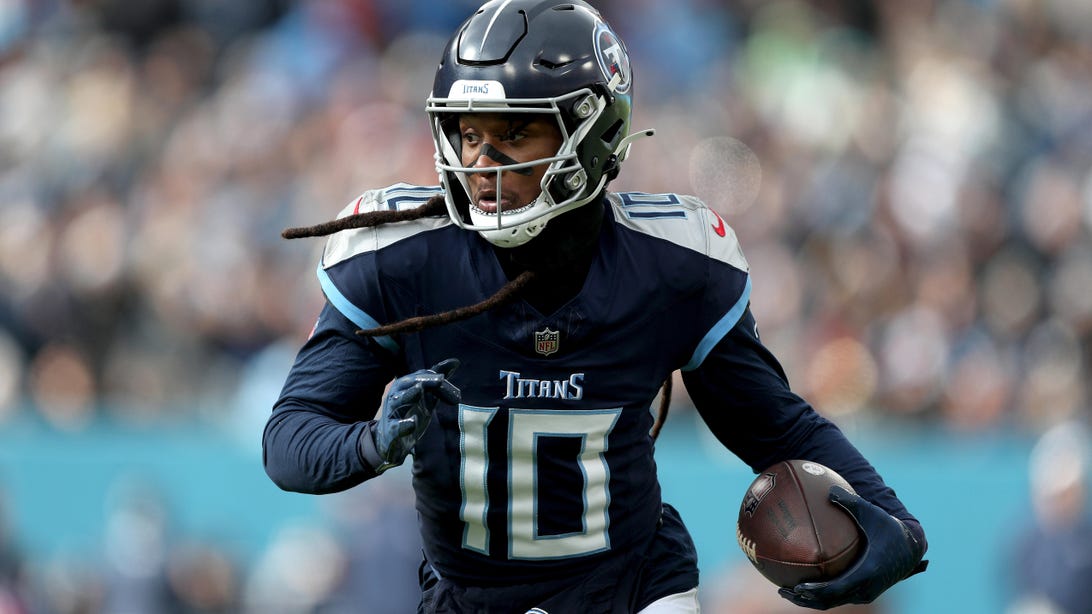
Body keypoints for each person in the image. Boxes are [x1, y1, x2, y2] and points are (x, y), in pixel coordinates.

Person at [262, 1, 928, 612]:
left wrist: (897, 523)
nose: (481, 163)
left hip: (633, 589)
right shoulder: (401, 260)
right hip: (472, 598)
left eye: (514, 133)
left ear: (593, 133)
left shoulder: (671, 266)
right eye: (467, 133)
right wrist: (371, 443)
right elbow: (289, 439)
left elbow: (772, 427)